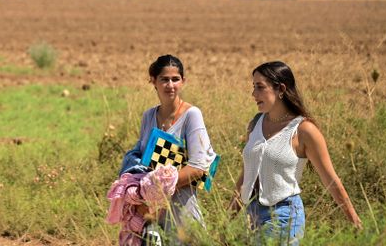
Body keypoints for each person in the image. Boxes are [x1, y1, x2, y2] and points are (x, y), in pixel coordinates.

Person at [229, 61, 362, 245]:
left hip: (284, 216)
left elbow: (331, 180)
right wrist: (227, 220)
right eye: (253, 87)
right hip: (252, 216)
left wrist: (354, 221)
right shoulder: (255, 124)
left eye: (260, 87)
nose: (253, 94)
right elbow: (246, 175)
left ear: (281, 89)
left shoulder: (304, 130)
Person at [119, 54, 218, 241]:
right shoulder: (148, 116)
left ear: (183, 81)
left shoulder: (192, 115)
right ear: (153, 81)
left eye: (175, 79)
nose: (170, 85)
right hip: (151, 214)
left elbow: (199, 167)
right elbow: (141, 160)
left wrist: (156, 192)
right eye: (164, 79)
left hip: (182, 210)